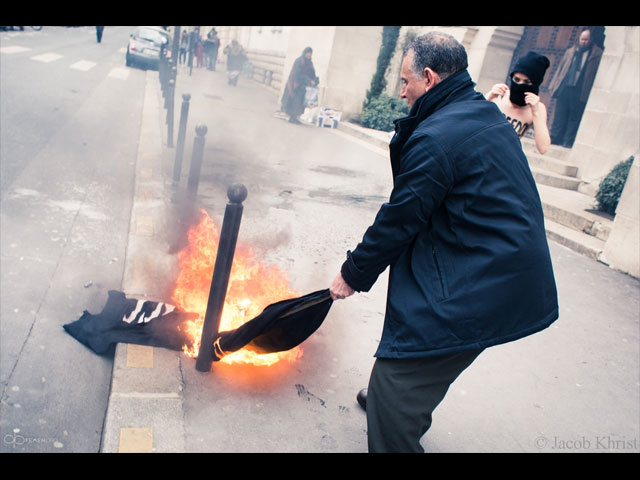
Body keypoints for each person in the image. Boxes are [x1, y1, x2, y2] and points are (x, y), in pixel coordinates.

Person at [329, 32, 559, 453]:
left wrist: (351, 274)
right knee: (426, 366)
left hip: (486, 278)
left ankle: (394, 410)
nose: (400, 92)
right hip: (503, 268)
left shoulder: (439, 137)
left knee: (396, 376)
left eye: (405, 82)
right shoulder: (479, 113)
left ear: (430, 79)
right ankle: (396, 404)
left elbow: (400, 218)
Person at [486, 51, 551, 154]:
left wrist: (536, 113)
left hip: (502, 159)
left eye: (527, 82)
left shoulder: (537, 108)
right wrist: (487, 98)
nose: (520, 85)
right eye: (516, 79)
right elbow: (467, 120)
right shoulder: (499, 96)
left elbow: (543, 148)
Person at [547, 28, 603, 148]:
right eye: (582, 39)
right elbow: (560, 69)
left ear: (591, 40)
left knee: (574, 116)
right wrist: (553, 85)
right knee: (560, 113)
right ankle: (555, 137)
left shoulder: (596, 54)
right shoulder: (571, 51)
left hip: (580, 89)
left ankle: (568, 141)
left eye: (586, 40)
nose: (583, 42)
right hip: (565, 87)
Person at [281, 47, 319, 124]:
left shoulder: (309, 63)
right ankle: (293, 118)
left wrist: (315, 80)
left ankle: (295, 117)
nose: (309, 55)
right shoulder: (299, 61)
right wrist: (307, 80)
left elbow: (312, 73)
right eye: (308, 53)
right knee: (295, 102)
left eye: (310, 54)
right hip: (295, 85)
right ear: (305, 53)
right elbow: (297, 74)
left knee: (300, 102)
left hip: (303, 86)